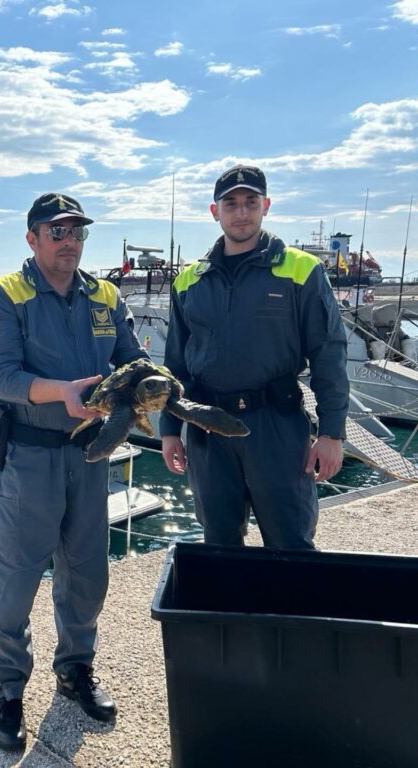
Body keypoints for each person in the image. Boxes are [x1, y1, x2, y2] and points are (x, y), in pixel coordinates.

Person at [0, 192, 147, 750]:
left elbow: (129, 358)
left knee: (87, 575)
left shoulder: (105, 295)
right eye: (57, 231)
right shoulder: (4, 295)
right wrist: (62, 392)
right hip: (28, 459)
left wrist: (151, 385)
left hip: (91, 455)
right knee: (15, 583)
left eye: (77, 232)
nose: (69, 241)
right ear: (33, 238)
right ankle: (7, 693)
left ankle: (75, 672)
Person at [160, 165, 348, 550]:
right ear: (215, 212)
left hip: (275, 427)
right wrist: (167, 430)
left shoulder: (300, 270)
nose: (241, 213)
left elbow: (329, 353)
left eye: (250, 202)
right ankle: (229, 612)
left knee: (290, 542)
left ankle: (291, 611)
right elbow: (175, 367)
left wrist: (331, 433)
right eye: (230, 204)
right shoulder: (189, 280)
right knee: (219, 543)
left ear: (266, 206)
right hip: (206, 428)